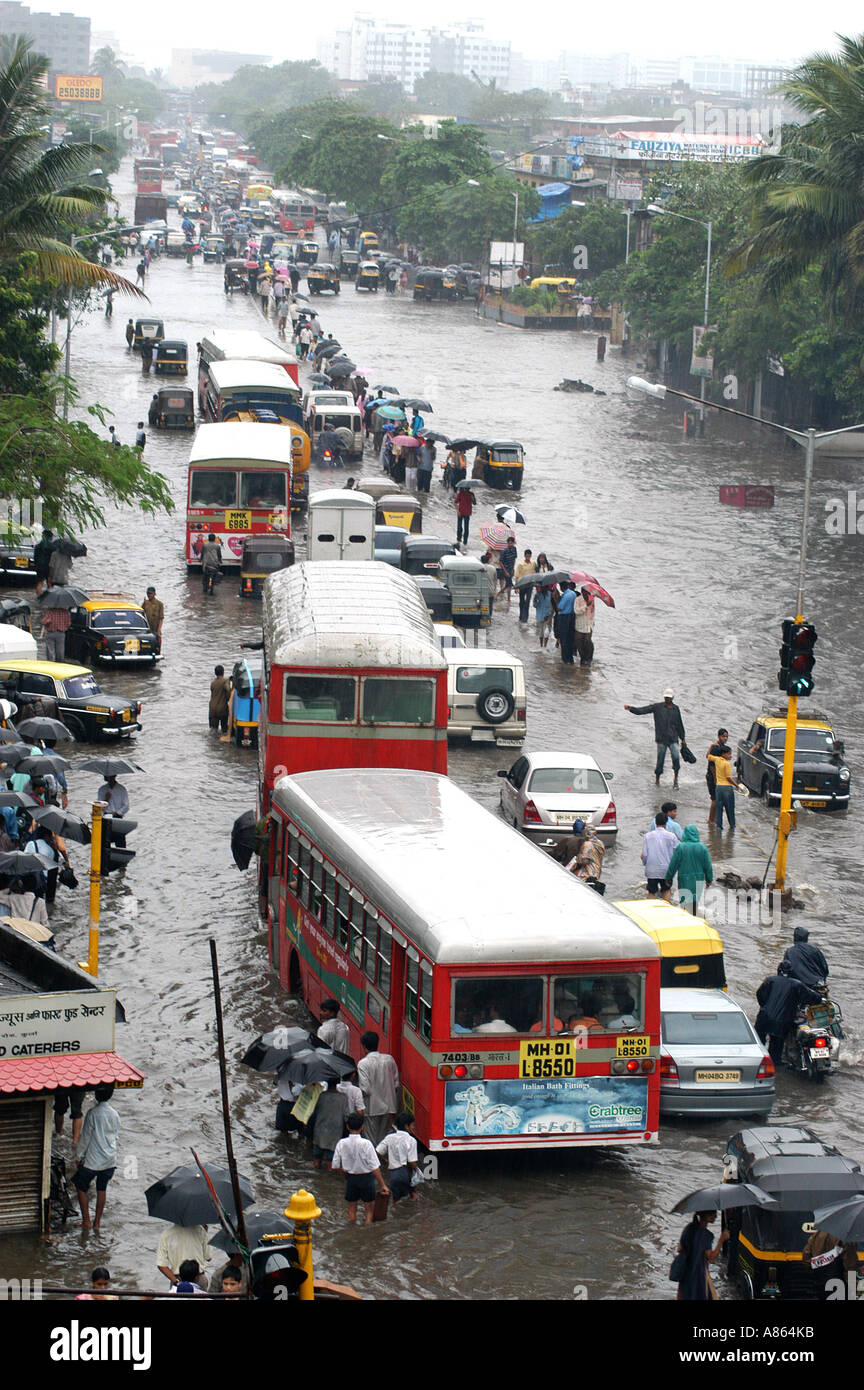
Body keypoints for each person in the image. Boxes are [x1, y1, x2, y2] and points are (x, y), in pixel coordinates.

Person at [755, 962, 822, 1066]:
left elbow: (760, 994)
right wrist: (820, 998)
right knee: (775, 1051)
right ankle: (772, 1070)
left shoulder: (770, 980)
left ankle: (757, 1064)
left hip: (764, 1018)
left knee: (758, 1045)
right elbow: (813, 997)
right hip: (781, 1022)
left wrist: (765, 1007)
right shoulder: (797, 984)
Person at [74, 1085, 119, 1231]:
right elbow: (115, 1135)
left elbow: (85, 1137)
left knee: (81, 1186)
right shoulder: (114, 1114)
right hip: (109, 1159)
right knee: (102, 1189)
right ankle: (97, 1223)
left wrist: (78, 1155)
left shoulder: (92, 1113)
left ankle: (86, 1220)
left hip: (93, 1160)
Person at [331, 1113, 389, 1225]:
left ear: (347, 1126)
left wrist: (345, 1175)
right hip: (366, 1179)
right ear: (362, 1127)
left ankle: (352, 1231)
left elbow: (336, 1165)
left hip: (351, 1179)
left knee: (351, 1210)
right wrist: (383, 1184)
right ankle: (367, 1234)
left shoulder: (341, 1143)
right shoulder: (366, 1144)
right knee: (369, 1211)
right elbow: (374, 1167)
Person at [624, 688, 687, 787]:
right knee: (660, 760)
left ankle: (675, 779)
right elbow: (643, 710)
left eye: (669, 698)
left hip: (673, 739)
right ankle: (657, 780)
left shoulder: (676, 709)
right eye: (666, 697)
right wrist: (631, 708)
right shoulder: (657, 707)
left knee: (676, 758)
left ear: (673, 698)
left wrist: (683, 738)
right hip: (661, 739)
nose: (667, 699)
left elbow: (679, 724)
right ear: (664, 697)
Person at [357, 1031, 399, 1148]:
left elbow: (365, 1089)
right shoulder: (389, 1059)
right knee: (382, 1139)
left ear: (364, 1046)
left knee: (371, 1140)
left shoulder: (363, 1064)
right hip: (389, 1106)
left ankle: (374, 1163)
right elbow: (396, 1084)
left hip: (372, 1108)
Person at [674, 1212, 728, 1300]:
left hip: (686, 1275)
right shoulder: (706, 1235)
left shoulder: (688, 1229)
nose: (715, 1216)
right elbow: (711, 1258)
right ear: (704, 1214)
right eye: (712, 1213)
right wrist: (721, 1240)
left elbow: (679, 1248)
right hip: (699, 1277)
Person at [665, 825, 713, 914]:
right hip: (698, 879)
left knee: (685, 903)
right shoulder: (702, 848)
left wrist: (669, 877)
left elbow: (673, 864)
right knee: (695, 901)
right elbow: (708, 866)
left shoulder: (681, 847)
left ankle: (686, 922)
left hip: (684, 879)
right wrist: (709, 879)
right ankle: (694, 920)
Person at [376, 1111, 419, 1203]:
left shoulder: (389, 1138)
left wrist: (385, 1160)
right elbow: (412, 1162)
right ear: (407, 1126)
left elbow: (377, 1152)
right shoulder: (411, 1140)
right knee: (410, 1201)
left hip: (393, 1175)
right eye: (412, 1125)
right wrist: (418, 1172)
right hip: (405, 1173)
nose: (414, 1127)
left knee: (396, 1201)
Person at [156, 1224, 213, 1289]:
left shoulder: (166, 1235)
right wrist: (205, 1232)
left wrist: (176, 1281)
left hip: (178, 1279)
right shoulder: (200, 1231)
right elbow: (208, 1257)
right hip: (198, 1278)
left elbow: (161, 1265)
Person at [312, 1077, 349, 1168]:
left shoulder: (321, 1096)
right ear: (338, 1083)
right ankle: (329, 1180)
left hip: (319, 1130)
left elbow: (314, 1112)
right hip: (335, 1133)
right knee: (331, 1162)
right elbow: (346, 1116)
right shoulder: (343, 1098)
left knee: (317, 1159)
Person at [641, 811, 678, 899]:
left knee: (651, 891)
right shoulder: (672, 836)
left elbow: (644, 854)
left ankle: (650, 911)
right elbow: (675, 855)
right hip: (666, 869)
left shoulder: (648, 836)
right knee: (667, 890)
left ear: (655, 822)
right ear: (666, 823)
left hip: (652, 869)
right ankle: (666, 910)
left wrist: (646, 864)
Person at [707, 744, 741, 831]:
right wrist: (737, 786)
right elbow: (728, 778)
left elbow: (708, 756)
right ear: (724, 754)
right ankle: (732, 826)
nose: (730, 756)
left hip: (718, 788)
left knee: (719, 808)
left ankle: (719, 826)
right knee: (729, 808)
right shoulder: (727, 763)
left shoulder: (717, 759)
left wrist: (711, 746)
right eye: (729, 754)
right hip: (727, 788)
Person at [705, 727, 729, 826]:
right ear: (719, 736)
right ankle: (711, 820)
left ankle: (713, 819)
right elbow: (711, 765)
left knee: (717, 798)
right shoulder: (716, 748)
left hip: (717, 777)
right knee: (714, 799)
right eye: (723, 736)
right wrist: (715, 778)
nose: (725, 738)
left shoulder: (720, 747)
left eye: (727, 737)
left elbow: (707, 755)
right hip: (712, 777)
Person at [573, 587, 595, 665]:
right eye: (585, 591)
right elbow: (576, 611)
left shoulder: (592, 599)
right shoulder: (578, 599)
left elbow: (592, 612)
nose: (586, 593)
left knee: (587, 641)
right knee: (579, 642)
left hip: (589, 623)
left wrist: (592, 622)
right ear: (582, 591)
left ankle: (589, 658)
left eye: (588, 591)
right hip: (579, 624)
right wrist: (585, 606)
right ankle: (583, 658)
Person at [556, 581, 577, 663]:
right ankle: (570, 658)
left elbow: (560, 608)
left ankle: (565, 659)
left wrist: (557, 601)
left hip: (564, 617)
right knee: (570, 638)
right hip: (572, 616)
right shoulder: (573, 594)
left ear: (561, 587)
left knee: (563, 639)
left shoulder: (566, 596)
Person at [514, 549, 534, 622]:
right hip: (522, 585)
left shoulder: (533, 564)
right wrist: (516, 587)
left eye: (529, 556)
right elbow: (517, 576)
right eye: (527, 556)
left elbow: (537, 571)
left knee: (527, 602)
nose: (528, 557)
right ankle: (521, 616)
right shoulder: (520, 564)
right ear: (525, 556)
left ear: (531, 556)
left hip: (530, 585)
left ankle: (525, 618)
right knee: (522, 601)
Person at [209, 665, 231, 732]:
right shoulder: (225, 681)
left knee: (213, 730)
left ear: (215, 673)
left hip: (212, 709)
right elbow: (228, 690)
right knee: (224, 729)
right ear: (223, 672)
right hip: (222, 709)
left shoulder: (213, 683)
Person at [498, 536, 518, 602]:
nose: (510, 544)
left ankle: (498, 594)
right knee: (509, 584)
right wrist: (505, 571)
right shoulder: (504, 551)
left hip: (511, 569)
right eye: (509, 543)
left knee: (507, 585)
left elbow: (514, 558)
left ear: (513, 543)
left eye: (511, 543)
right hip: (505, 570)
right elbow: (500, 562)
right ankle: (509, 599)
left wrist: (513, 568)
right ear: (507, 543)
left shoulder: (515, 549)